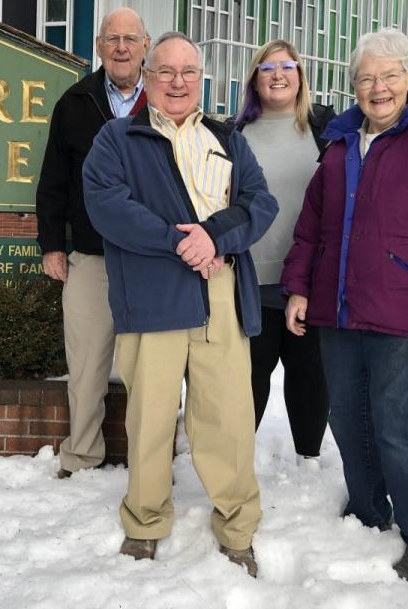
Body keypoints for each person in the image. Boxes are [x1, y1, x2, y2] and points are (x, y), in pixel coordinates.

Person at [281, 28, 408, 584]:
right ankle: (370, 510)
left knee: (399, 425)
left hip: (407, 312)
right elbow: (311, 229)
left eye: (389, 76)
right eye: (367, 78)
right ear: (354, 87)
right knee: (349, 419)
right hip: (339, 310)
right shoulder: (340, 142)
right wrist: (301, 287)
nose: (378, 88)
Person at [83, 32, 278, 576]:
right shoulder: (117, 138)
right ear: (147, 77)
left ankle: (238, 527)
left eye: (188, 71)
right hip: (152, 294)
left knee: (227, 418)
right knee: (149, 419)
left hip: (220, 292)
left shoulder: (228, 138)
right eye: (165, 71)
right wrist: (181, 243)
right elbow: (107, 206)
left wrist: (214, 237)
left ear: (201, 79)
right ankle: (144, 523)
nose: (177, 82)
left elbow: (259, 202)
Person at [36, 7, 150, 480]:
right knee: (85, 368)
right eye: (112, 39)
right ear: (99, 47)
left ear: (145, 46)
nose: (121, 47)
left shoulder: (167, 100)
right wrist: (51, 245)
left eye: (130, 38)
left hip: (151, 262)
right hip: (90, 255)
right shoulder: (74, 102)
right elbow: (53, 182)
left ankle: (153, 459)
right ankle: (82, 455)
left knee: (152, 369)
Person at [235, 39, 335, 467]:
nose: (278, 74)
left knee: (309, 374)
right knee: (249, 375)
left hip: (308, 280)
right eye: (267, 67)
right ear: (254, 80)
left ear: (301, 77)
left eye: (288, 66)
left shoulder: (326, 130)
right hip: (248, 279)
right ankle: (239, 457)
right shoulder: (232, 133)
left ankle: (308, 457)